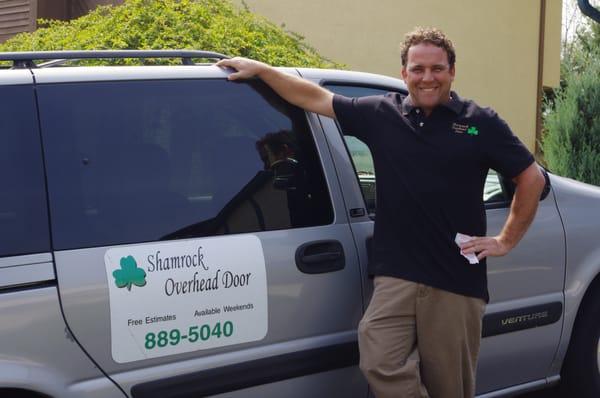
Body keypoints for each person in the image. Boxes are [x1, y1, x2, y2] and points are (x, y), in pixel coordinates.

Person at [216, 27, 546, 398]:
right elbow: (314, 98)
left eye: (437, 68)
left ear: (452, 71)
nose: (427, 77)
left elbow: (530, 178)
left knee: (449, 385)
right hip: (396, 274)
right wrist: (262, 70)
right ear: (404, 73)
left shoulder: (479, 122)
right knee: (379, 360)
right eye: (417, 69)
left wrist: (505, 241)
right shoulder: (381, 113)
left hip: (455, 280)